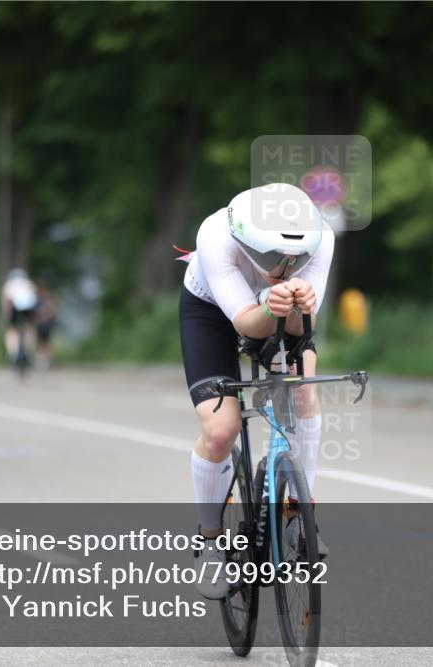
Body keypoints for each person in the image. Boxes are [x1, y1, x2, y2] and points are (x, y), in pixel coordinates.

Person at [179, 183, 333, 599]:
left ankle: (300, 512)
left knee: (304, 394)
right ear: (245, 241)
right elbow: (247, 322)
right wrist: (272, 306)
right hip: (213, 310)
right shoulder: (216, 236)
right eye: (270, 257)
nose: (283, 265)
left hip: (274, 309)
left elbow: (304, 330)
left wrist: (302, 308)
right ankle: (210, 541)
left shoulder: (321, 239)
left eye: (294, 259)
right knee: (221, 430)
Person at [1, 268, 38, 364]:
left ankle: (12, 352)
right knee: (30, 328)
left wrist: (8, 313)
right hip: (29, 307)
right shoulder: (28, 283)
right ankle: (29, 349)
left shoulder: (9, 284)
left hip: (15, 307)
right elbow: (34, 299)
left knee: (12, 329)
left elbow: (7, 301)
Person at [33, 281, 60, 371]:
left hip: (46, 323)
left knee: (45, 342)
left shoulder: (46, 297)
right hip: (41, 323)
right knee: (41, 342)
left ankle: (47, 361)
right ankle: (43, 361)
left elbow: (53, 309)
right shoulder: (37, 297)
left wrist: (46, 317)